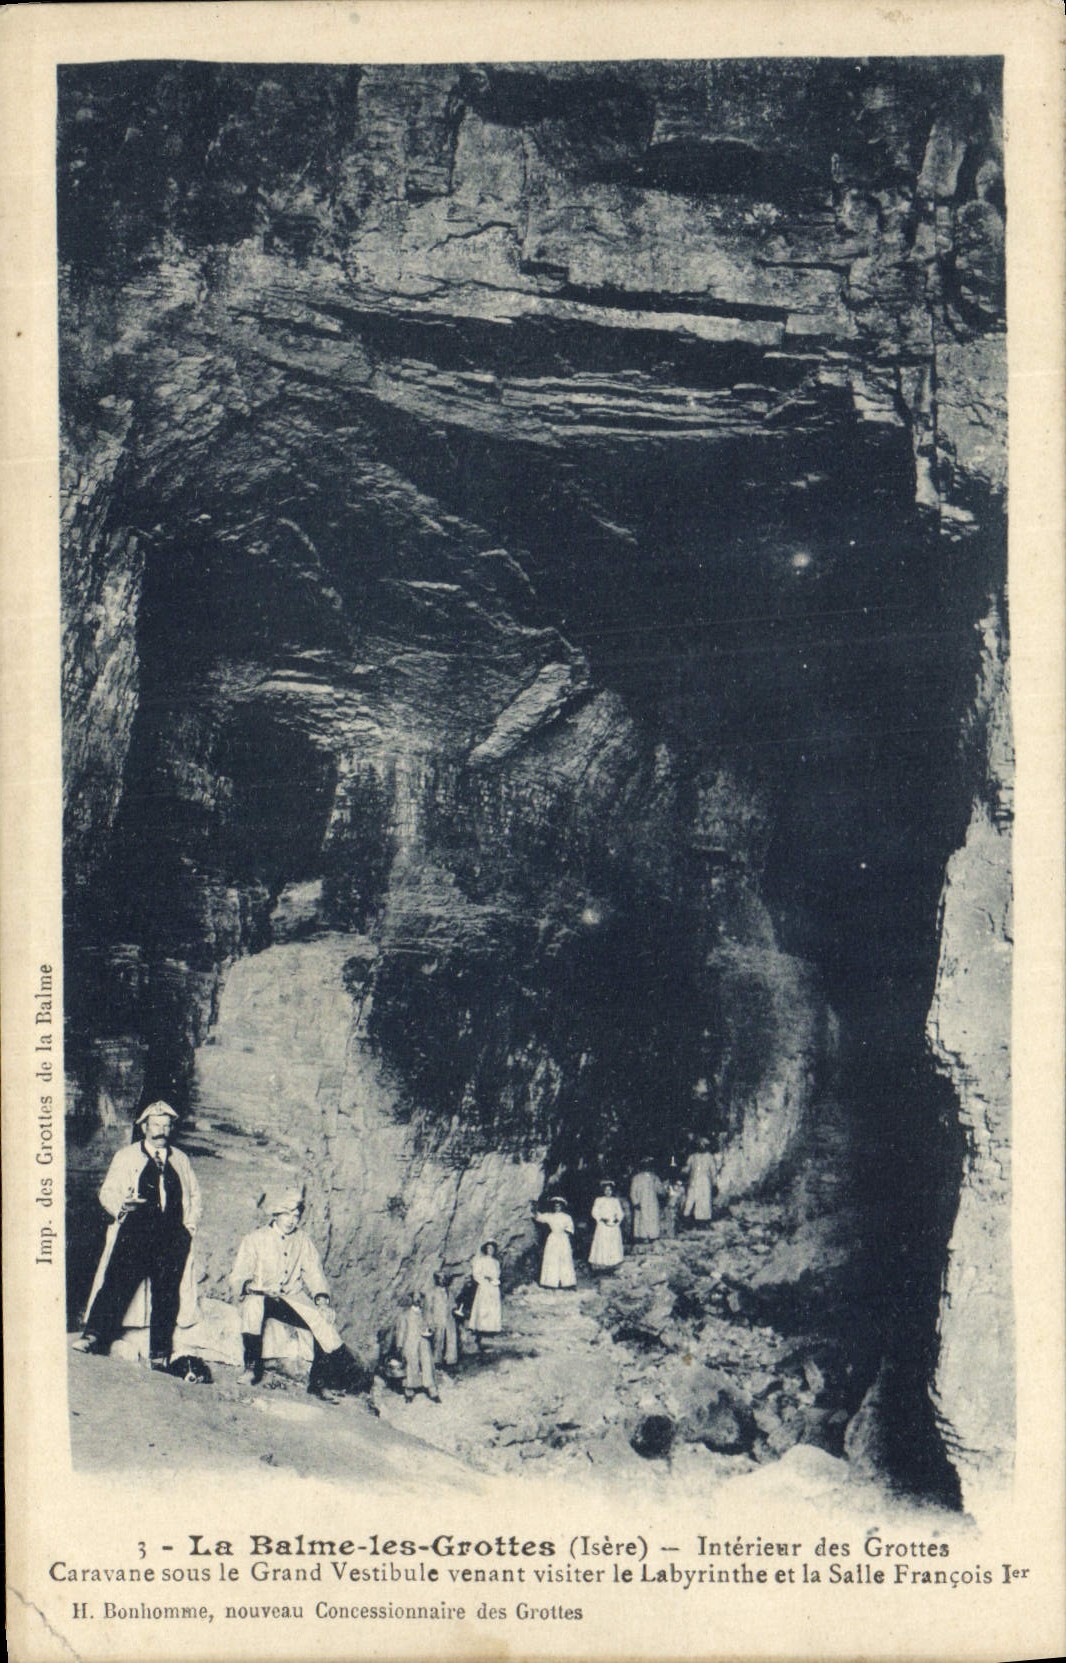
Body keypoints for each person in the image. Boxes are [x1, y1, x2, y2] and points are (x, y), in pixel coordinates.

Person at [74, 1102, 201, 1370]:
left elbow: (194, 1197)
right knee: (117, 1283)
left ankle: (159, 1353)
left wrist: (187, 1230)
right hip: (135, 1233)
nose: (161, 1130)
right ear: (144, 1127)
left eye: (166, 1125)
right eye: (156, 1125)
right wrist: (123, 1205)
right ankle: (93, 1336)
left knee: (167, 1293)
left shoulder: (180, 1159)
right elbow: (107, 1191)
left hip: (171, 1237)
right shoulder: (127, 1156)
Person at [229, 1188, 364, 1403]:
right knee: (253, 1309)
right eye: (287, 1214)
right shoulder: (255, 1239)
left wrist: (321, 1300)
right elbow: (238, 1275)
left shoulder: (302, 1240)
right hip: (261, 1294)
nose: (292, 1220)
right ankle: (251, 1368)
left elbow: (314, 1273)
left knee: (322, 1321)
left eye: (296, 1216)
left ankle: (319, 1384)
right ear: (276, 1214)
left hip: (291, 1297)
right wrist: (252, 1287)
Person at [396, 1292, 440, 1402]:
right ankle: (409, 1391)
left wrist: (430, 1331)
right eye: (415, 1299)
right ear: (411, 1300)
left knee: (427, 1363)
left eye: (420, 1299)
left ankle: (432, 1390)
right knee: (411, 1364)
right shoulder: (405, 1315)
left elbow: (432, 1325)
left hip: (424, 1341)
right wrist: (399, 1346)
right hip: (410, 1342)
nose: (418, 1301)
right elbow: (401, 1331)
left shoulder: (425, 1314)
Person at [534, 1197, 577, 1288]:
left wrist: (565, 1236)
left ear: (562, 1206)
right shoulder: (550, 1216)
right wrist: (534, 1207)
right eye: (555, 1206)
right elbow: (539, 1217)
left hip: (563, 1238)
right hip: (553, 1238)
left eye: (559, 1206)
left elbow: (570, 1229)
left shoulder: (567, 1217)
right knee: (552, 1259)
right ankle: (551, 1282)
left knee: (564, 1259)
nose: (557, 1207)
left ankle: (566, 1282)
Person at [466, 1241, 502, 1349]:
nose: (490, 1250)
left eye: (492, 1249)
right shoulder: (481, 1261)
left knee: (493, 1308)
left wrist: (494, 1280)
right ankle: (481, 1328)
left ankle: (492, 1329)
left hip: (494, 1287)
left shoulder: (496, 1262)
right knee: (483, 1307)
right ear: (485, 1249)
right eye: (488, 1248)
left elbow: (498, 1274)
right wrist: (485, 1280)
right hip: (484, 1287)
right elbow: (476, 1274)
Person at [425, 1270, 459, 1369]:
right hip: (437, 1320)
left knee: (451, 1340)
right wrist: (430, 1323)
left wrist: (456, 1310)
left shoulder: (450, 1292)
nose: (443, 1280)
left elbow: (453, 1305)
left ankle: (451, 1361)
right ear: (436, 1280)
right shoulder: (431, 1293)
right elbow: (428, 1310)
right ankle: (436, 1362)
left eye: (444, 1278)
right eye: (440, 1278)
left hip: (449, 1320)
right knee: (438, 1341)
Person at [588, 1181, 624, 1271]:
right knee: (603, 1243)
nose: (608, 1192)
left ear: (612, 1191)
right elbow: (594, 1212)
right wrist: (601, 1218)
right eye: (606, 1190)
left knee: (613, 1243)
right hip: (603, 1225)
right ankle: (602, 1264)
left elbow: (620, 1212)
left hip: (613, 1225)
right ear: (603, 1191)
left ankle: (613, 1263)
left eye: (610, 1190)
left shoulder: (615, 1201)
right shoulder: (599, 1200)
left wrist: (617, 1219)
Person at [682, 1136, 718, 1227]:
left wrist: (714, 1184)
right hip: (694, 1182)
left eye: (703, 1145)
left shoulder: (709, 1157)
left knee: (705, 1201)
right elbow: (687, 1168)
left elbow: (713, 1171)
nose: (701, 1147)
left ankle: (703, 1222)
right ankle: (686, 1220)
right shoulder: (692, 1157)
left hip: (705, 1183)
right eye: (699, 1145)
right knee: (690, 1200)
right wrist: (682, 1171)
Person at [629, 1159, 664, 1245]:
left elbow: (660, 1190)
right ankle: (642, 1238)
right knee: (642, 1221)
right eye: (645, 1164)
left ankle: (653, 1237)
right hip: (641, 1203)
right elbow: (633, 1191)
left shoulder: (655, 1177)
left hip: (652, 1203)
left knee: (652, 1220)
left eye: (649, 1164)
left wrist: (664, 1188)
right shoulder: (637, 1178)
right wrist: (635, 1202)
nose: (647, 1166)